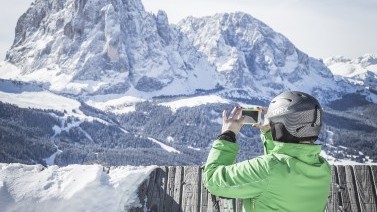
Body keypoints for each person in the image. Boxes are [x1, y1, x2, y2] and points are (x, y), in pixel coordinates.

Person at [203, 91, 331, 212]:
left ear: (281, 127)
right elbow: (279, 172)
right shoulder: (322, 168)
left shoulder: (268, 169)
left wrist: (227, 135)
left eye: (274, 124)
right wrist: (268, 133)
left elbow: (212, 180)